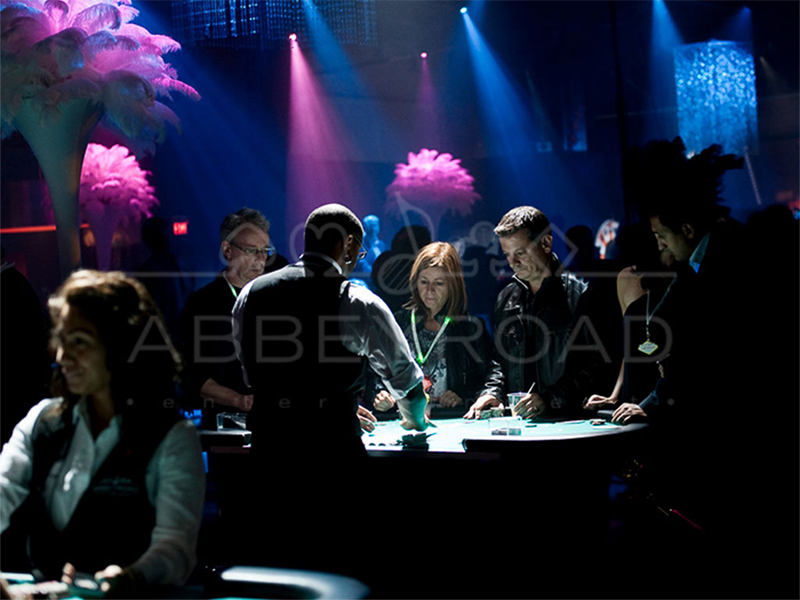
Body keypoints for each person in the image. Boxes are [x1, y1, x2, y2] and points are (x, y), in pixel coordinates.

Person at [230, 203, 428, 572]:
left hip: (269, 458)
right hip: (332, 460)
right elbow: (409, 388)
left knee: (276, 563)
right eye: (360, 251)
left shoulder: (250, 294)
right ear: (349, 245)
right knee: (340, 563)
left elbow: (253, 375)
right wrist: (415, 424)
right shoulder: (357, 301)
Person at [0, 270, 204, 595]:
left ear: (122, 343)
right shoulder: (41, 421)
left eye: (79, 341)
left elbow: (175, 548)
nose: (63, 357)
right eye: (61, 341)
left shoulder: (171, 437)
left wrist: (130, 577)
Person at [465, 206, 608, 420]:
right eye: (507, 254)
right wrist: (491, 392)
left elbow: (595, 367)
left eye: (520, 253)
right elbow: (498, 361)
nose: (512, 263)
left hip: (571, 424)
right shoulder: (506, 297)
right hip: (520, 424)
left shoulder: (582, 294)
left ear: (546, 244)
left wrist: (548, 398)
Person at [364, 242, 491, 417]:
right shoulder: (398, 322)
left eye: (438, 283)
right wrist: (379, 392)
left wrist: (464, 395)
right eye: (424, 282)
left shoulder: (469, 327)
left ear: (452, 285)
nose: (429, 290)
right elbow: (374, 371)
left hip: (451, 419)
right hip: (402, 420)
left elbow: (489, 376)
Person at [176, 207, 273, 430]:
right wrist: (239, 400)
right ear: (227, 250)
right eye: (251, 251)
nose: (260, 260)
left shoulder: (276, 298)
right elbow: (189, 371)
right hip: (223, 425)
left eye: (265, 251)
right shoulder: (201, 304)